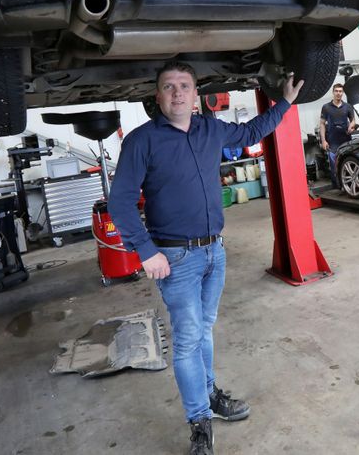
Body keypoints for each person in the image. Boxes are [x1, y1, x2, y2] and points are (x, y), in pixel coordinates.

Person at [108, 61, 303, 455]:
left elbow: (252, 130)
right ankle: (199, 420)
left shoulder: (210, 129)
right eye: (168, 86)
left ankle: (210, 394)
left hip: (215, 250)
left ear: (196, 94)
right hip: (175, 259)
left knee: (204, 330)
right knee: (186, 342)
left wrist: (284, 102)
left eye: (184, 86)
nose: (177, 93)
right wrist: (146, 252)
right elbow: (121, 201)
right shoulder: (141, 141)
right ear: (157, 95)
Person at [319, 82, 356, 189]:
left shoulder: (348, 107)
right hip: (332, 141)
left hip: (346, 140)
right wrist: (323, 140)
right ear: (333, 92)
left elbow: (353, 120)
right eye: (336, 91)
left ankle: (348, 186)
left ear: (343, 93)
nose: (338, 93)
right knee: (334, 166)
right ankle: (337, 187)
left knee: (347, 164)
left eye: (340, 91)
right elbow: (322, 124)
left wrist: (351, 126)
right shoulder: (326, 107)